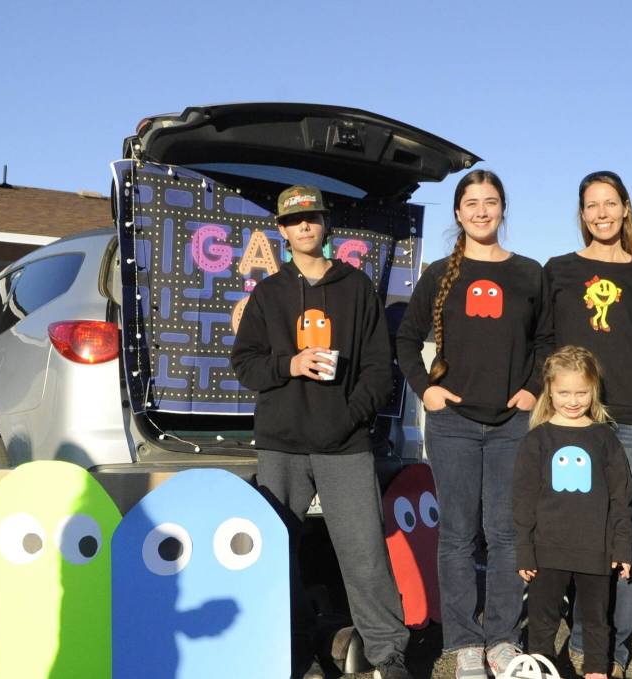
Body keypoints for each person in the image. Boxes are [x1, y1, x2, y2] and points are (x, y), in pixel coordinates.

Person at [230, 185, 411, 679]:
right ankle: (289, 651)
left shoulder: (357, 288)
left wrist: (348, 416)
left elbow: (379, 369)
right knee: (277, 555)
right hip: (282, 442)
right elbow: (244, 364)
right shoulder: (268, 294)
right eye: (295, 220)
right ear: (283, 232)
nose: (305, 226)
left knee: (365, 554)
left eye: (313, 217)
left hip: (345, 443)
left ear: (325, 224)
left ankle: (388, 655)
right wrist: (291, 362)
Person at [395, 169, 553, 679]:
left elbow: (545, 341)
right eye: (472, 203)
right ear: (459, 213)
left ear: (503, 209)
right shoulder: (441, 272)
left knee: (506, 533)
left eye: (491, 201)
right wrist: (428, 390)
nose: (482, 211)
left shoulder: (529, 273)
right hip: (454, 424)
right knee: (458, 536)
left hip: (512, 424)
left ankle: (502, 640)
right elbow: (404, 339)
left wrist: (532, 390)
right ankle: (464, 643)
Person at [544, 171, 632, 678]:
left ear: (626, 208)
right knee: (571, 528)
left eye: (610, 203)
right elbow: (543, 340)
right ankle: (574, 631)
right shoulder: (559, 270)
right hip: (572, 417)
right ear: (581, 214)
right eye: (592, 206)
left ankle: (607, 647)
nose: (602, 213)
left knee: (621, 528)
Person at [514, 345, 632, 679]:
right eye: (563, 392)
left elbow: (620, 498)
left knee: (596, 620)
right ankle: (538, 670)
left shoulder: (605, 438)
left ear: (593, 390)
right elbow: (523, 500)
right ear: (549, 392)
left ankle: (596, 671)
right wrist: (525, 550)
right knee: (541, 622)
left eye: (581, 392)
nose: (572, 400)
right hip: (546, 553)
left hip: (596, 552)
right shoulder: (536, 441)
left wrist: (622, 547)